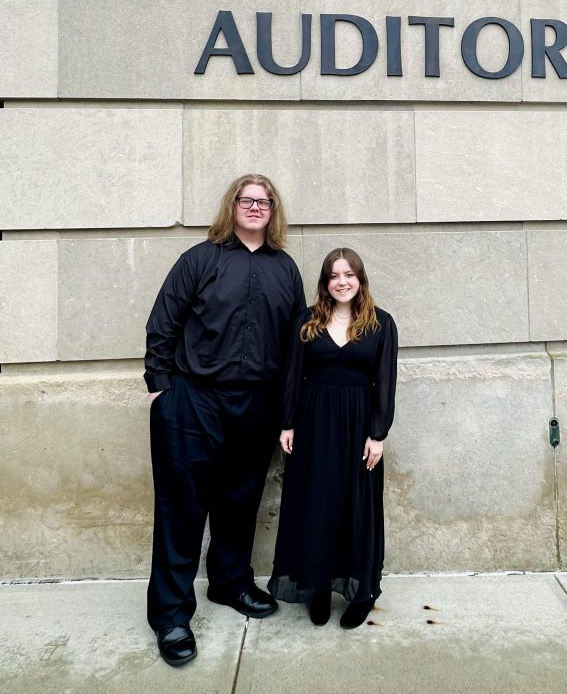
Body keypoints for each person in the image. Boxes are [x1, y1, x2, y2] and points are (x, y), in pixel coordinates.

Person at [144, 173, 306, 668]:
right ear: (232, 205)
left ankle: (231, 584)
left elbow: (296, 344)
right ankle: (172, 616)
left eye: (265, 201)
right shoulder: (200, 259)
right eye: (247, 199)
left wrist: (287, 411)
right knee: (182, 509)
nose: (256, 207)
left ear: (273, 210)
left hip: (256, 405)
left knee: (241, 501)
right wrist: (163, 389)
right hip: (194, 400)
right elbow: (163, 322)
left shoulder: (286, 269)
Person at [268, 247, 398, 629]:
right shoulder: (307, 322)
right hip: (313, 425)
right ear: (326, 282)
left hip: (359, 428)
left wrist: (378, 434)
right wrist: (287, 423)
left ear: (360, 280)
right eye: (334, 275)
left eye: (349, 275)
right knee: (316, 504)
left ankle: (362, 593)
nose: (342, 282)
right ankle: (318, 586)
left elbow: (385, 386)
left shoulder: (381, 324)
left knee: (357, 507)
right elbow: (292, 375)